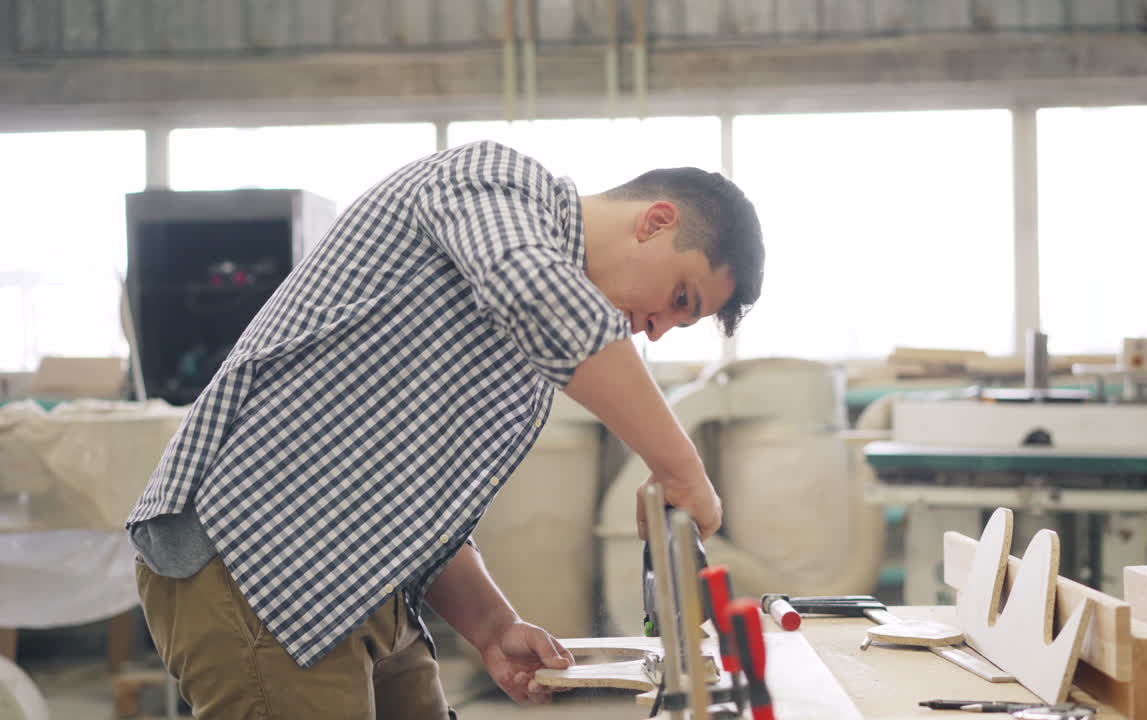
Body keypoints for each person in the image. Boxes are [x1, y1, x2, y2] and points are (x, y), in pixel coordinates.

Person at [127, 140, 765, 719]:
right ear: (656, 222)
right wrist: (681, 467)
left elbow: (419, 500)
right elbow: (541, 295)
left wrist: (491, 626)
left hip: (356, 585)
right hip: (258, 561)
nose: (655, 329)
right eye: (681, 299)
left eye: (679, 325)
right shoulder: (495, 181)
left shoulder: (530, 354)